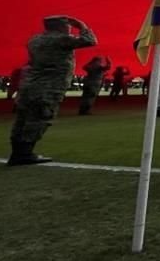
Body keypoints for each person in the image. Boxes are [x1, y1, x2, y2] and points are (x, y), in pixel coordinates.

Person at [8, 15, 97, 166]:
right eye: (68, 25)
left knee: (22, 120)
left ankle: (18, 153)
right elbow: (90, 41)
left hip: (30, 85)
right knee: (39, 119)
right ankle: (24, 154)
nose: (69, 28)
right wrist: (82, 26)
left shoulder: (34, 40)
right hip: (48, 87)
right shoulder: (60, 39)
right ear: (61, 27)